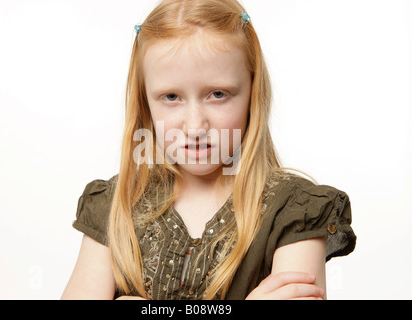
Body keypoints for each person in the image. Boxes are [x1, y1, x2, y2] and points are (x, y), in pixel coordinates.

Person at [61, 0, 356, 300]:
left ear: (252, 93)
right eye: (171, 96)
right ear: (145, 101)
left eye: (217, 94)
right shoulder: (116, 206)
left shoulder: (295, 210)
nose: (194, 126)